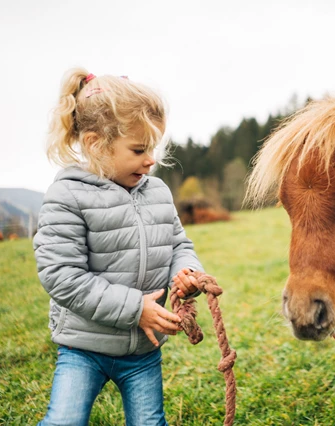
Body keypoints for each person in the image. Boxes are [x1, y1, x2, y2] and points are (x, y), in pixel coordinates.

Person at [33, 68, 202, 426]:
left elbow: (177, 245)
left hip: (143, 350)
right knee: (63, 420)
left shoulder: (157, 192)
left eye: (153, 148)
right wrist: (133, 309)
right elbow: (60, 275)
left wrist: (186, 273)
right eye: (139, 149)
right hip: (84, 348)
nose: (151, 159)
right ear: (95, 143)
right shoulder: (67, 195)